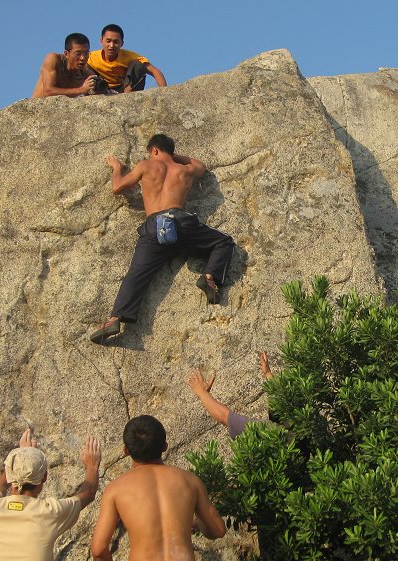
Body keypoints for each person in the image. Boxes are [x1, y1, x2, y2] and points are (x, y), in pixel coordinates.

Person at [89, 133, 235, 344]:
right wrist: (173, 156)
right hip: (182, 224)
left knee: (136, 274)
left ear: (154, 150)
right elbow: (200, 165)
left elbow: (117, 187)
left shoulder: (146, 166)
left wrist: (117, 168)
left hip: (154, 228)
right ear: (170, 151)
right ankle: (210, 277)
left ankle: (115, 319)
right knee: (224, 242)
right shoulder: (184, 170)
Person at [90, 415, 226, 561]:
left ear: (125, 451)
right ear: (165, 446)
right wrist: (198, 523)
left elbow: (98, 549)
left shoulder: (116, 489)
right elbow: (218, 530)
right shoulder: (190, 481)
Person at [0, 429, 102, 561]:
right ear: (44, 477)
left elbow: (1, 485)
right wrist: (92, 465)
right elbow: (89, 493)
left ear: (9, 474)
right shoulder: (50, 512)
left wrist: (20, 457)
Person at [186, 351, 275, 438]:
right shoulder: (281, 427)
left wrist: (202, 392)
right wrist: (268, 374)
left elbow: (225, 417)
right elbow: (278, 404)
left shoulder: (270, 432)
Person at [87, 24, 167, 93]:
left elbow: (155, 72)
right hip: (103, 88)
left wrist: (165, 93)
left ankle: (126, 97)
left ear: (122, 44)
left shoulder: (129, 56)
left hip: (125, 89)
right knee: (84, 66)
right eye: (108, 41)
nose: (111, 45)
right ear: (101, 41)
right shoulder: (92, 57)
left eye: (116, 42)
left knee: (138, 65)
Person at [31, 33, 100, 98]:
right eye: (78, 53)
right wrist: (81, 90)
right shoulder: (54, 60)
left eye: (86, 53)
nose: (83, 58)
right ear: (66, 54)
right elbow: (48, 91)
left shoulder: (86, 75)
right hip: (38, 105)